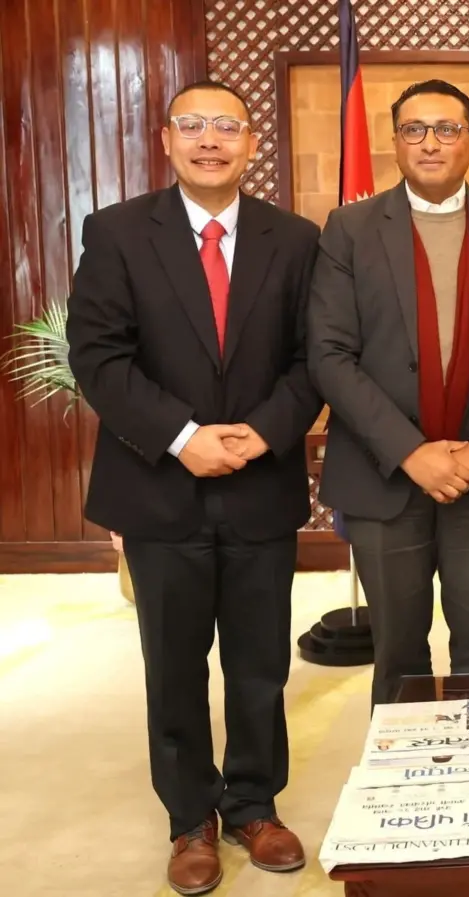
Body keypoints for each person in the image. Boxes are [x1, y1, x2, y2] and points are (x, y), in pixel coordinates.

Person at [66, 80, 321, 894]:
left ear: (252, 144)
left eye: (227, 127)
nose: (210, 140)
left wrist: (265, 431)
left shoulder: (296, 238)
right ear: (167, 139)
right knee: (173, 665)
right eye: (193, 125)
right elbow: (98, 355)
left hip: (260, 480)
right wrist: (183, 437)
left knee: (260, 662)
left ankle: (254, 803)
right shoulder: (116, 232)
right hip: (158, 486)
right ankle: (189, 818)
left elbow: (315, 355)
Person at [308, 79, 469, 707]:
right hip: (382, 476)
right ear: (395, 142)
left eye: (447, 129)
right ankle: (406, 771)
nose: (430, 143)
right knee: (399, 655)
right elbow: (329, 355)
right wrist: (410, 452)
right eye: (414, 129)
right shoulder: (349, 229)